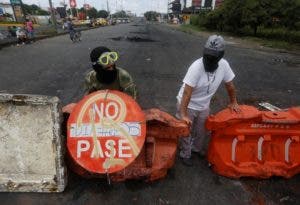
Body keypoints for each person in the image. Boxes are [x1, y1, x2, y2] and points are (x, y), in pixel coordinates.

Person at [176, 35, 240, 166]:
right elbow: (187, 92)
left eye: (214, 57)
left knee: (202, 130)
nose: (210, 59)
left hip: (204, 105)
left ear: (221, 56)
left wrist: (233, 101)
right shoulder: (196, 67)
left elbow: (230, 86)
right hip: (187, 103)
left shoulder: (224, 65)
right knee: (186, 129)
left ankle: (195, 149)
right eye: (208, 55)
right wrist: (183, 114)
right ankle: (185, 153)